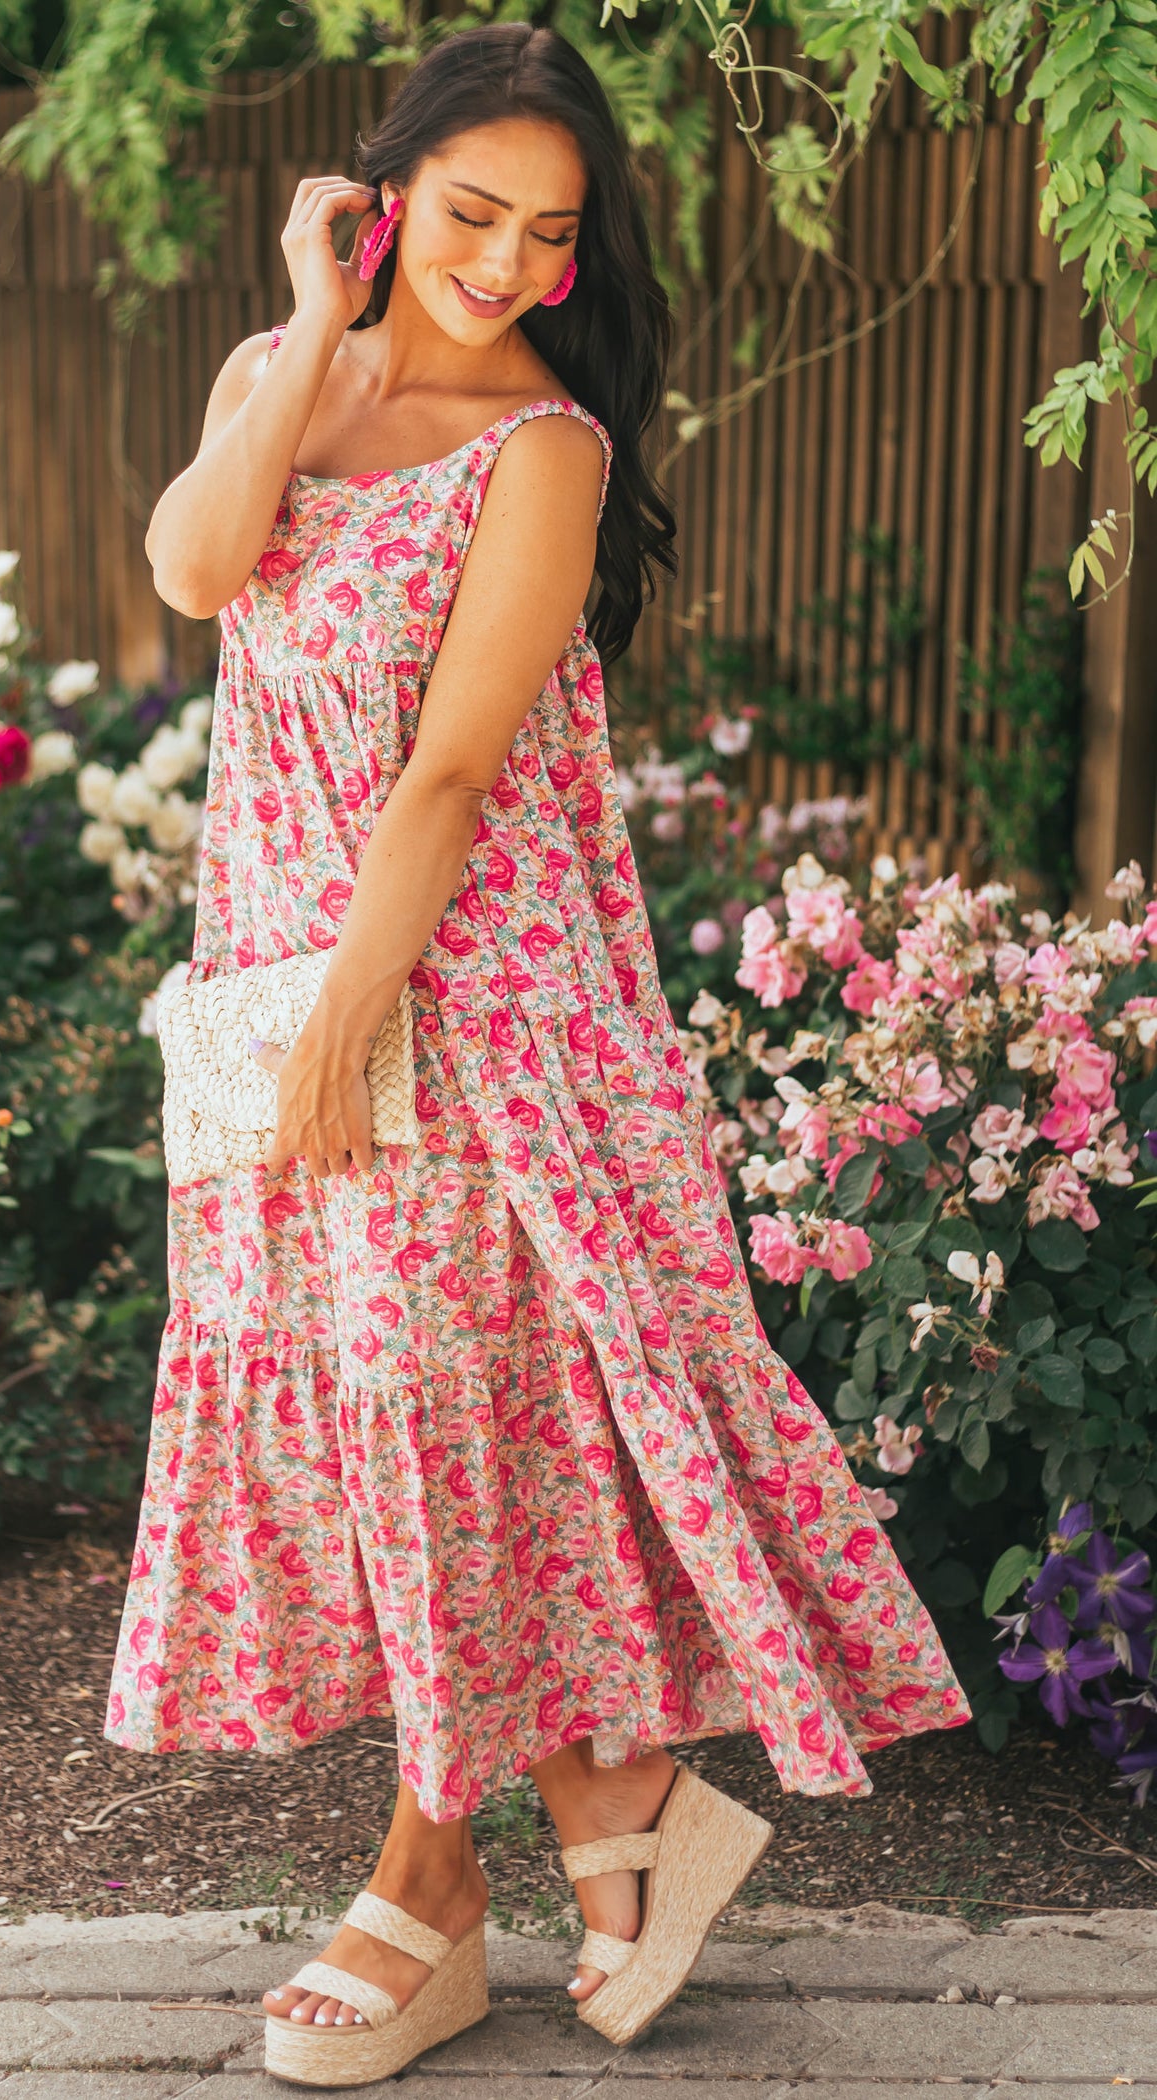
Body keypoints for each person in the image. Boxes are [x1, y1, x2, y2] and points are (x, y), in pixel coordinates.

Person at [106, 20, 971, 2086]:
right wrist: (309, 323)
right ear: (387, 193)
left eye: (544, 235)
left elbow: (451, 774)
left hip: (479, 1015)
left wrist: (350, 1017)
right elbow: (192, 566)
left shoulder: (544, 452)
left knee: (456, 1427)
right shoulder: (279, 380)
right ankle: (618, 1816)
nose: (498, 264)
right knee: (397, 1424)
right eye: (469, 213)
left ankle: (432, 1893)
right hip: (278, 990)